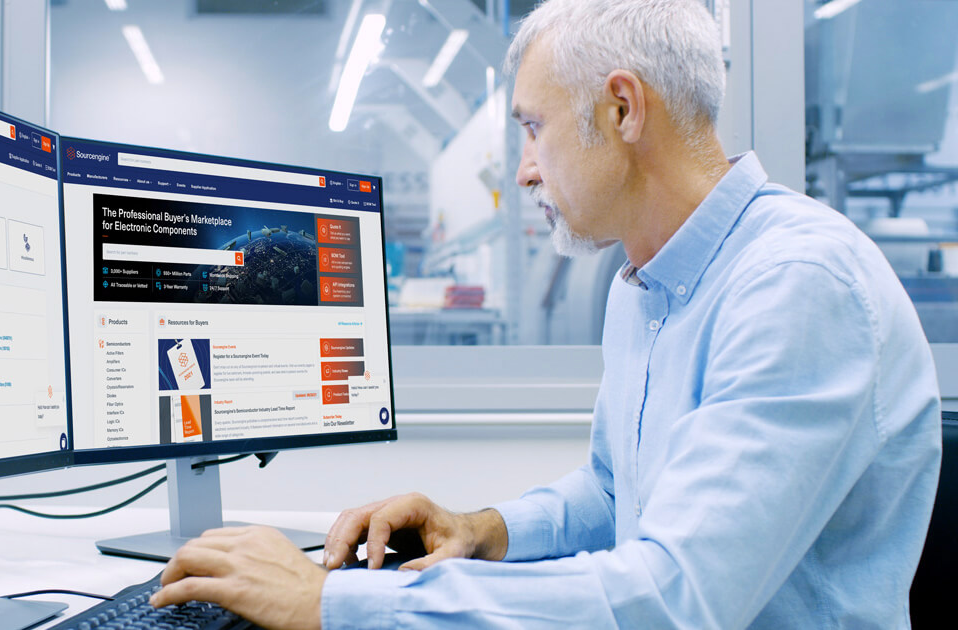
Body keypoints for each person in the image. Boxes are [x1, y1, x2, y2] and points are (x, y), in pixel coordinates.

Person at [151, 0, 943, 627]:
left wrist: (329, 603)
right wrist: (480, 529)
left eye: (534, 128)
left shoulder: (796, 286)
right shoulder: (646, 283)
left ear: (623, 109)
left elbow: (673, 600)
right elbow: (614, 493)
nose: (524, 170)